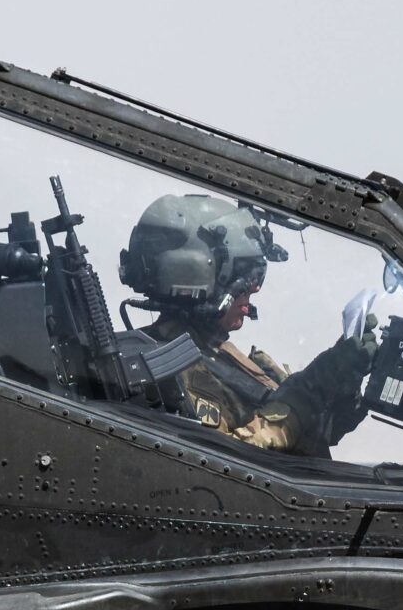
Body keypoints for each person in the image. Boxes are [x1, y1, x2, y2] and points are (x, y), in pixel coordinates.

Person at [117, 193, 376, 455]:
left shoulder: (223, 356)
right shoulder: (164, 371)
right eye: (244, 279)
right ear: (202, 278)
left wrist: (344, 373)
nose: (254, 289)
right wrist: (311, 385)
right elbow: (226, 459)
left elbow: (320, 431)